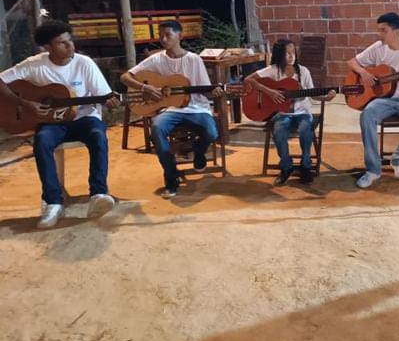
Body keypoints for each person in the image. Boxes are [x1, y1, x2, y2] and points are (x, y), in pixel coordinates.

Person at [0, 21, 119, 229]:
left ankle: (98, 194)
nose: (70, 46)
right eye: (62, 43)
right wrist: (25, 103)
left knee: (98, 135)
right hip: (51, 122)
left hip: (84, 119)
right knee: (42, 141)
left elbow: (104, 95)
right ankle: (53, 202)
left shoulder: (84, 63)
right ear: (47, 47)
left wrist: (110, 101)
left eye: (70, 40)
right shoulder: (34, 64)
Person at [120, 20, 222, 198]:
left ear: (180, 36)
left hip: (196, 107)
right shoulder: (156, 59)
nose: (164, 39)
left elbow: (206, 91)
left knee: (212, 133)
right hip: (169, 109)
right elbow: (125, 77)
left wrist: (214, 92)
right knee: (157, 129)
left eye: (168, 35)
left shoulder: (194, 60)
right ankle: (171, 177)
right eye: (161, 35)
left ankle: (198, 151)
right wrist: (145, 88)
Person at [348, 12, 399, 189]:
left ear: (396, 31)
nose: (380, 34)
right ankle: (373, 170)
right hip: (384, 99)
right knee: (367, 115)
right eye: (379, 30)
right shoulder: (378, 47)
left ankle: (398, 160)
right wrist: (364, 73)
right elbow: (352, 62)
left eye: (383, 30)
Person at [244, 39, 335, 186]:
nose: (292, 56)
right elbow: (249, 80)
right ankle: (286, 167)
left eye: (293, 52)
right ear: (280, 54)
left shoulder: (303, 71)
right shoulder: (273, 70)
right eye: (287, 53)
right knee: (279, 130)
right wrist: (270, 92)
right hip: (282, 114)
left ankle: (306, 166)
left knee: (306, 129)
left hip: (303, 113)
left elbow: (313, 94)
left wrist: (326, 98)